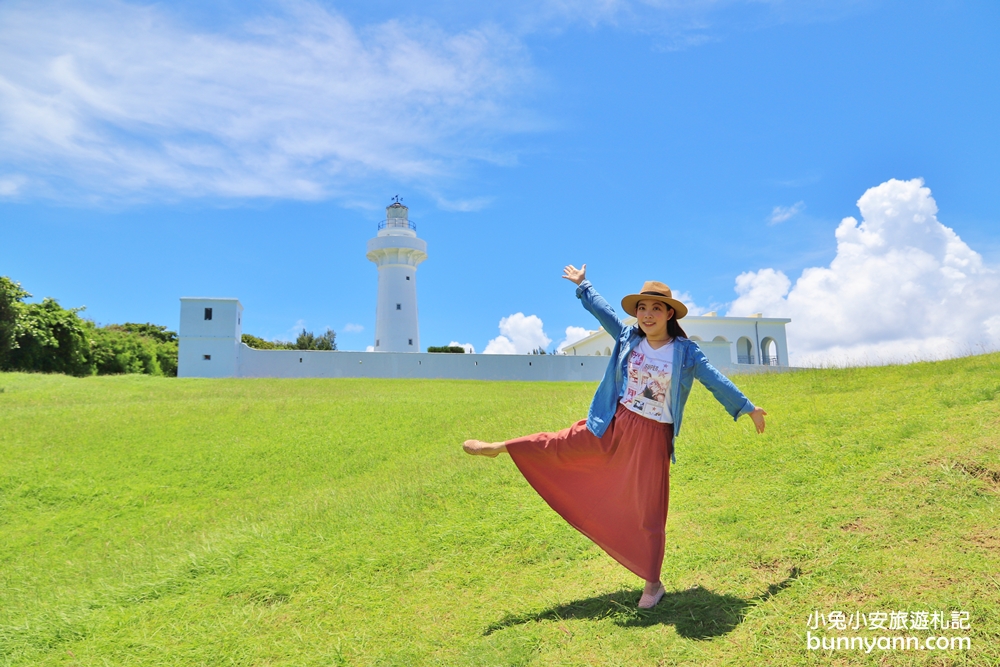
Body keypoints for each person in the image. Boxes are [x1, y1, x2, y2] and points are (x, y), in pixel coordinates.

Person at [463, 264, 767, 609]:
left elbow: (715, 379)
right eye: (642, 308)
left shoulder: (685, 352)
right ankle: (501, 447)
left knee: (649, 510)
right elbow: (605, 313)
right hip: (615, 423)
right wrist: (583, 285)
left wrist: (747, 407)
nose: (647, 315)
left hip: (653, 437)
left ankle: (652, 584)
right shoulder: (628, 338)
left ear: (669, 313)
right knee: (562, 443)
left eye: (655, 308)